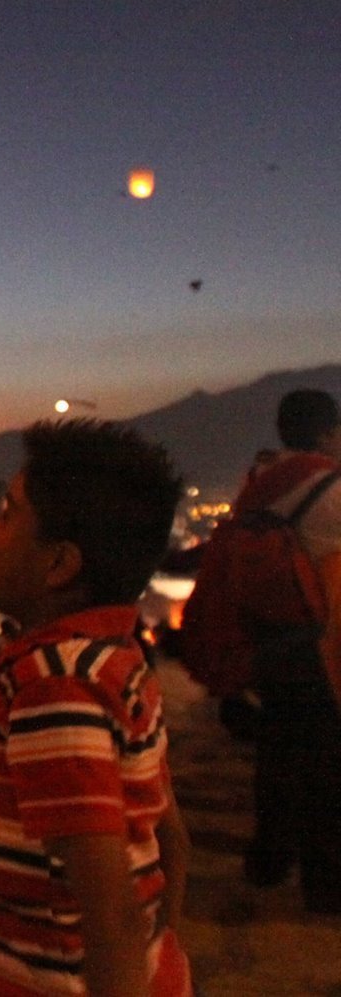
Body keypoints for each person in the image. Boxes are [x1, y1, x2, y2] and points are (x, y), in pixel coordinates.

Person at [0, 420, 191, 997]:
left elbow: (107, 907)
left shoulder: (50, 687)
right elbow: (172, 840)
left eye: (8, 513)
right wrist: (162, 953)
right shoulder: (113, 661)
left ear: (60, 564)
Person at [236, 388, 341, 912]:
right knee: (326, 764)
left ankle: (268, 859)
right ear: (326, 434)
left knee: (278, 751)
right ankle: (324, 883)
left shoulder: (259, 481)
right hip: (317, 643)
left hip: (266, 637)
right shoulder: (331, 491)